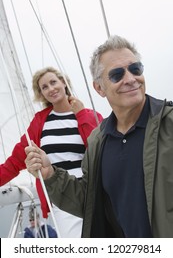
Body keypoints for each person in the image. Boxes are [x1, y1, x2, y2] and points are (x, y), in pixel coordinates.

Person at [25, 35, 173, 238]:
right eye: (117, 74)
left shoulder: (169, 124)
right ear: (99, 88)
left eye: (135, 69)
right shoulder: (98, 141)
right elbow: (91, 203)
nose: (130, 79)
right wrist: (50, 174)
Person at [0, 66, 103, 238]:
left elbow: (99, 147)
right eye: (44, 87)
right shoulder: (40, 122)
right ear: (41, 94)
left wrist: (81, 115)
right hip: (63, 199)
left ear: (63, 83)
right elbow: (15, 161)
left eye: (53, 82)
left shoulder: (89, 115)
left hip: (95, 194)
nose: (50, 89)